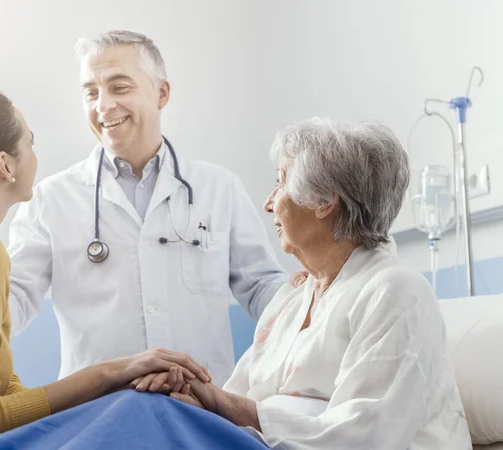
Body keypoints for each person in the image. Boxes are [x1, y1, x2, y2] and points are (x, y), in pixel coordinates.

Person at [0, 88, 210, 449]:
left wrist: (117, 380)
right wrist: (110, 371)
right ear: (6, 165)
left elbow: (0, 390)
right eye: (29, 141)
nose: (35, 154)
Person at [155, 118, 472, 448]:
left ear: (325, 201)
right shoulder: (290, 301)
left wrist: (223, 405)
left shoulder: (396, 293)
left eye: (280, 183)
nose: (269, 203)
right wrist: (187, 394)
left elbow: (364, 437)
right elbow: (229, 402)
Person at [7, 30, 291, 386]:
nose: (103, 105)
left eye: (119, 87)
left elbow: (262, 287)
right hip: (97, 412)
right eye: (91, 92)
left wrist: (319, 301)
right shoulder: (50, 199)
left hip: (201, 406)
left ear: (162, 93)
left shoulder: (219, 188)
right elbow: (12, 296)